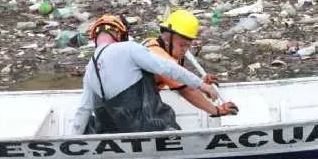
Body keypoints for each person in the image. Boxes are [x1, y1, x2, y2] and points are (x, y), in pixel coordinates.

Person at [74, 14, 222, 134]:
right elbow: (167, 68)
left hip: (112, 129)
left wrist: (73, 140)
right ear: (119, 34)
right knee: (163, 116)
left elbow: (83, 109)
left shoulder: (90, 67)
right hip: (143, 124)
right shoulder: (129, 48)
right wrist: (201, 85)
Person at [143, 9, 238, 117]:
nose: (184, 50)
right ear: (167, 38)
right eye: (182, 45)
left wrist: (200, 83)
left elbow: (181, 79)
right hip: (132, 107)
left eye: (188, 46)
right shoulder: (158, 55)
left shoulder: (160, 46)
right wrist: (217, 111)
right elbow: (187, 90)